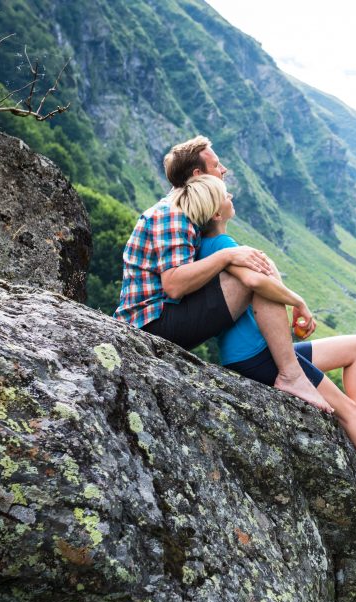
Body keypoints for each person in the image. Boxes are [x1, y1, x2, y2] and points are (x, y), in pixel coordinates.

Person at [177, 173, 356, 513]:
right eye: (224, 194)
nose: (231, 194)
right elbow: (256, 283)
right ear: (216, 214)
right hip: (257, 357)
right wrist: (298, 302)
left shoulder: (211, 246)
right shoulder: (223, 247)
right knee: (345, 410)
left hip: (266, 350)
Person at [113, 136, 330, 412]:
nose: (224, 170)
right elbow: (174, 285)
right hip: (150, 324)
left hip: (163, 316)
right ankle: (291, 374)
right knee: (251, 277)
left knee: (251, 267)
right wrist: (229, 256)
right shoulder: (173, 213)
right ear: (198, 175)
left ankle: (286, 366)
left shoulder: (187, 213)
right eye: (217, 165)